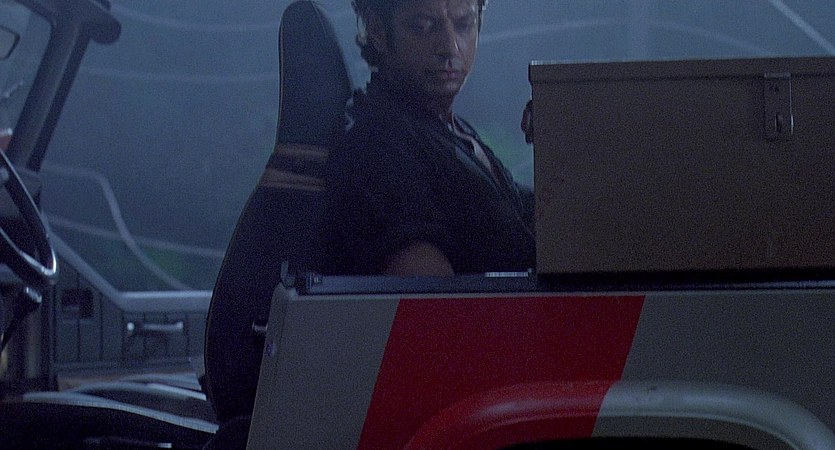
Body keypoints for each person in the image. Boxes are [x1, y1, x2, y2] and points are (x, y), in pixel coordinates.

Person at [324, 0, 534, 276]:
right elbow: (426, 291)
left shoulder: (448, 130)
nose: (450, 47)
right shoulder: (379, 144)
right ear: (378, 31)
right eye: (422, 27)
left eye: (464, 25)